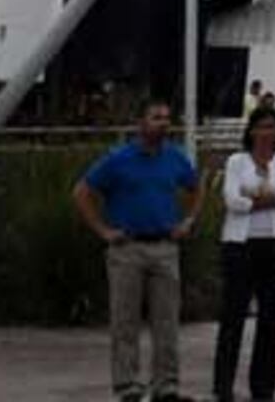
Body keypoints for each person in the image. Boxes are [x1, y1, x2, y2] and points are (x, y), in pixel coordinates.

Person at [69, 95, 202, 402]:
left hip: (165, 247)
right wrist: (103, 230)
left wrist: (189, 220)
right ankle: (127, 385)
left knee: (167, 321)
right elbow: (82, 192)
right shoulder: (118, 159)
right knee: (125, 321)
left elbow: (196, 187)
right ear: (141, 123)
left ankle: (166, 386)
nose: (163, 124)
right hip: (127, 248)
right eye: (156, 117)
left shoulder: (176, 157)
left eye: (167, 118)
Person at [215, 100, 275, 399]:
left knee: (271, 320)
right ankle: (223, 386)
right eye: (260, 127)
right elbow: (232, 201)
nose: (266, 133)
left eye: (271, 127)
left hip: (274, 244)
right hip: (241, 245)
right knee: (233, 317)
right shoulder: (237, 161)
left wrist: (257, 196)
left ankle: (263, 388)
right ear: (251, 131)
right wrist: (267, 197)